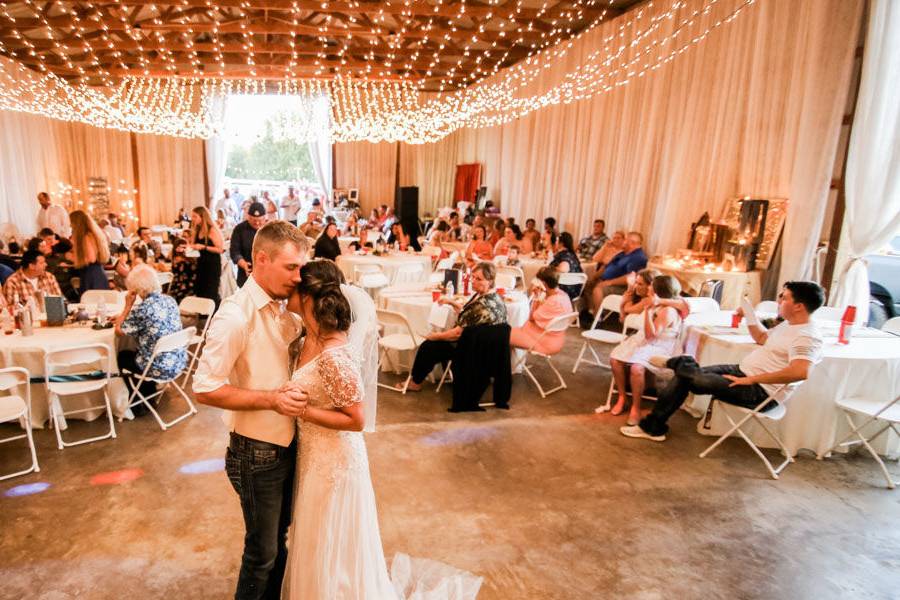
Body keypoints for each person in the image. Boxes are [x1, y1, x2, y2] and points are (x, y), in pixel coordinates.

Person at [193, 222, 310, 598]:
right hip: (256, 450)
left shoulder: (285, 307)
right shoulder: (235, 316)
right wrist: (271, 399)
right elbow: (204, 387)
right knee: (261, 553)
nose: (299, 277)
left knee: (278, 541)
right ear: (261, 260)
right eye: (291, 268)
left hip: (290, 442)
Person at [621, 281, 825, 442]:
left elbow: (800, 372)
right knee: (686, 375)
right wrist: (749, 316)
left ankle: (674, 370)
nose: (779, 301)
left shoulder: (807, 336)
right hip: (742, 371)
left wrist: (751, 381)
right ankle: (655, 423)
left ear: (798, 306)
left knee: (691, 378)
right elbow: (762, 338)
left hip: (760, 391)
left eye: (785, 298)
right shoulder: (788, 324)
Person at [402, 262, 507, 392]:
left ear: (490, 281)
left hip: (477, 350)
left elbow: (457, 333)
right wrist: (452, 302)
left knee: (429, 346)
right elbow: (469, 315)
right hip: (491, 347)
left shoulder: (482, 305)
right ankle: (455, 374)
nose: (473, 281)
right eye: (473, 277)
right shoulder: (494, 297)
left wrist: (435, 336)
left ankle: (415, 382)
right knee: (441, 341)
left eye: (478, 279)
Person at [606, 275, 683, 425]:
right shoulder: (654, 303)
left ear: (658, 290)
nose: (648, 287)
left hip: (659, 345)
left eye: (651, 285)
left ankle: (636, 407)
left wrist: (648, 311)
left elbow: (651, 336)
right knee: (615, 360)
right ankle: (622, 397)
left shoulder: (667, 311)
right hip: (642, 340)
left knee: (636, 368)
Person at [114, 264, 187, 415]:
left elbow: (119, 331)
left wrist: (127, 306)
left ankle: (137, 404)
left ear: (136, 288)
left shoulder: (143, 309)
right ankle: (149, 397)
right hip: (177, 361)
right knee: (143, 352)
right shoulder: (170, 301)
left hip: (158, 368)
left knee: (123, 356)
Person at [509, 267, 573, 354]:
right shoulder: (564, 296)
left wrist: (536, 298)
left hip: (542, 341)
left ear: (543, 283)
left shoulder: (553, 302)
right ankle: (514, 365)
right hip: (556, 339)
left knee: (500, 335)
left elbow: (531, 318)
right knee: (505, 332)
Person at [586, 231, 648, 315]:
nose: (623, 241)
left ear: (632, 243)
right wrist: (595, 277)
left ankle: (597, 317)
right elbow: (607, 265)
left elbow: (630, 277)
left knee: (598, 289)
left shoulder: (638, 257)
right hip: (606, 280)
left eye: (625, 240)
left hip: (621, 286)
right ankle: (592, 311)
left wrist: (609, 282)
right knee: (587, 285)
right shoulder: (623, 253)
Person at [69, 210, 110, 294]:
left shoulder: (87, 236)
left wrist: (73, 258)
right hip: (92, 272)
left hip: (92, 274)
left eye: (71, 222)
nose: (70, 225)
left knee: (93, 303)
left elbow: (91, 258)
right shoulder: (90, 235)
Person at [190, 206, 225, 306]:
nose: (192, 219)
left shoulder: (211, 230)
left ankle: (213, 316)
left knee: (211, 292)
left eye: (195, 216)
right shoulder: (197, 229)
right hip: (201, 263)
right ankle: (203, 318)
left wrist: (204, 247)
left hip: (212, 264)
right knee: (200, 290)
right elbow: (195, 245)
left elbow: (220, 249)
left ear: (202, 217)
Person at [230, 202, 267, 287]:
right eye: (254, 220)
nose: (257, 223)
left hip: (267, 274)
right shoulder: (239, 229)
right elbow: (234, 252)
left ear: (265, 218)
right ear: (248, 217)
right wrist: (244, 264)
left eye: (260, 221)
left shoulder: (270, 229)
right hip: (246, 274)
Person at [549, 232, 583, 301]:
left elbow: (563, 269)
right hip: (575, 289)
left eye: (557, 241)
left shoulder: (564, 255)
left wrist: (551, 268)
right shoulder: (572, 254)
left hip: (565, 291)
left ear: (561, 243)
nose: (555, 242)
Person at [168, 238, 197, 303]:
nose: (185, 249)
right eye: (183, 247)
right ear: (176, 248)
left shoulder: (186, 258)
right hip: (182, 286)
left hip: (184, 285)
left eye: (185, 247)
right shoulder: (180, 259)